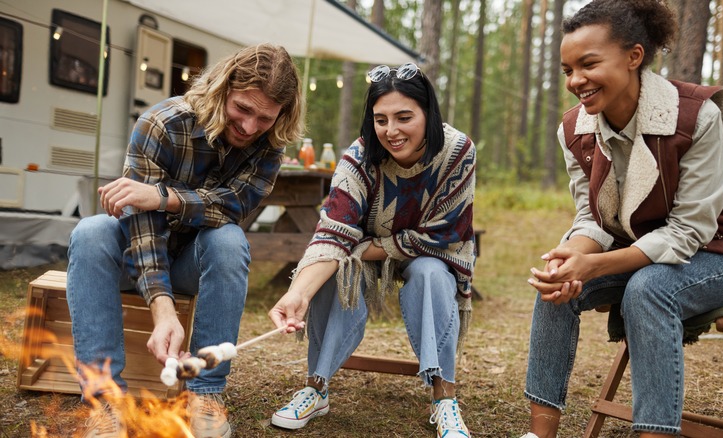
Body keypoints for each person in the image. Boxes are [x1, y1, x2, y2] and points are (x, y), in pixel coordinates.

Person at [521, 1, 723, 437]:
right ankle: (540, 432)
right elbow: (592, 216)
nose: (576, 81)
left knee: (648, 290)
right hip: (637, 254)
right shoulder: (574, 129)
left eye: (588, 64)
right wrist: (572, 256)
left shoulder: (696, 117)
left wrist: (597, 264)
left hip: (722, 255)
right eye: (567, 70)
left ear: (634, 57)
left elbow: (689, 231)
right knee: (557, 285)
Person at [66, 43, 302, 438]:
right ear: (223, 88)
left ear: (281, 114)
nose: (248, 127)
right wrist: (162, 309)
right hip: (135, 257)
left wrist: (164, 197)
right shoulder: (162, 123)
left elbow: (233, 207)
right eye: (242, 109)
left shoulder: (270, 145)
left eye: (263, 117)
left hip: (195, 263)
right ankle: (105, 400)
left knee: (228, 240)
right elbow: (142, 224)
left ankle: (205, 394)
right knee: (90, 232)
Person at [267, 62, 476, 438]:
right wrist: (298, 293)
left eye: (404, 117)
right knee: (335, 268)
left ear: (428, 113)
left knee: (430, 274)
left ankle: (444, 396)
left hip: (427, 253)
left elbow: (443, 233)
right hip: (361, 249)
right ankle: (316, 388)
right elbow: (333, 232)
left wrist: (368, 249)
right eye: (381, 119)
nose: (391, 131)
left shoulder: (457, 152)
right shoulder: (358, 157)